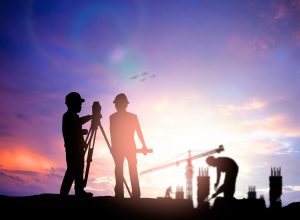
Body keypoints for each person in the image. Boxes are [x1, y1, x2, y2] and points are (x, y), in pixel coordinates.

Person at [110, 93, 148, 199]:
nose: (117, 106)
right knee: (127, 169)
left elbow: (113, 134)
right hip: (127, 147)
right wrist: (143, 145)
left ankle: (122, 194)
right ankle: (132, 194)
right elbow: (113, 134)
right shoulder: (131, 117)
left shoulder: (113, 117)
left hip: (123, 147)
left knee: (122, 169)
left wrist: (144, 145)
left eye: (117, 104)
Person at [60, 92, 93, 197]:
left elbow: (75, 130)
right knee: (72, 171)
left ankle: (79, 191)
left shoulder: (73, 117)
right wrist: (91, 116)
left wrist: (82, 138)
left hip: (77, 149)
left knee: (79, 170)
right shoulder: (68, 116)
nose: (81, 105)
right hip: (72, 150)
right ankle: (64, 193)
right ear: (72, 104)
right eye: (79, 103)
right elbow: (75, 126)